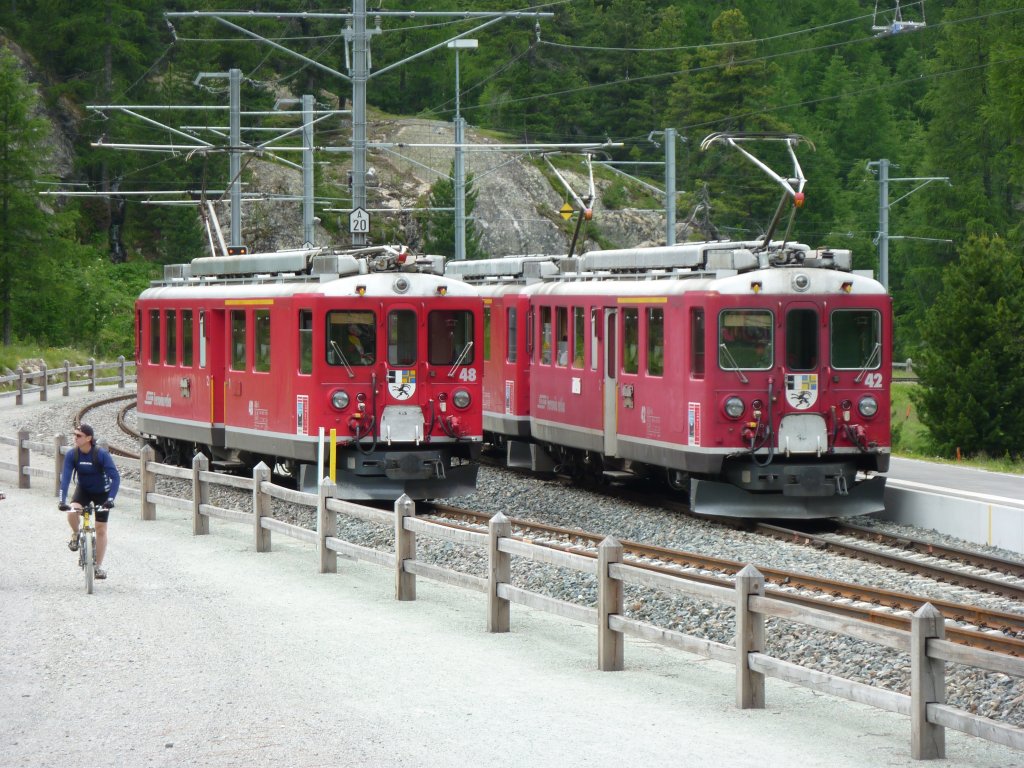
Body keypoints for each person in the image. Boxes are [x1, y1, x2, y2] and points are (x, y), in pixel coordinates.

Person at [58, 423, 120, 580]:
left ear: (89, 438)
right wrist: (61, 500)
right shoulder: (73, 454)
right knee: (72, 510)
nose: (75, 438)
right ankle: (76, 533)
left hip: (102, 493)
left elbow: (116, 477)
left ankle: (97, 567)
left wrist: (111, 499)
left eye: (79, 435)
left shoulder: (101, 455)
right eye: (74, 434)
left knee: (100, 529)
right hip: (83, 490)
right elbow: (65, 479)